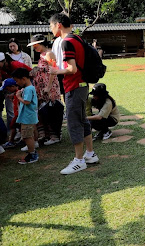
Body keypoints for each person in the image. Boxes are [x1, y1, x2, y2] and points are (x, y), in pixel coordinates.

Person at [49, 13, 99, 175]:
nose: (50, 29)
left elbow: (72, 69)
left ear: (58, 25)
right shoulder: (77, 38)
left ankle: (79, 160)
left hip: (74, 87)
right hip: (82, 86)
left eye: (51, 26)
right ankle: (90, 154)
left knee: (73, 123)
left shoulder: (66, 42)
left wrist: (56, 71)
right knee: (82, 120)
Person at [27, 34, 63, 146]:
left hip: (50, 87)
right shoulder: (42, 55)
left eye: (35, 45)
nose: (34, 47)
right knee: (44, 111)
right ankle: (47, 134)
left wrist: (48, 86)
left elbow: (53, 70)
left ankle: (55, 135)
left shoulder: (48, 54)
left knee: (52, 110)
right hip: (42, 88)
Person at [0, 52, 31, 128]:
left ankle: (11, 130)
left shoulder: (15, 65)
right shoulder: (0, 68)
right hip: (4, 86)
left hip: (14, 87)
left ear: (4, 61)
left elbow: (28, 75)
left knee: (10, 110)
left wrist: (19, 90)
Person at [12, 68, 39, 164]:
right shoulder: (29, 88)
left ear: (23, 79)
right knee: (28, 135)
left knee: (27, 136)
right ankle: (32, 152)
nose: (16, 83)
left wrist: (18, 97)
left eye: (17, 80)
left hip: (27, 117)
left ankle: (32, 154)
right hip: (28, 116)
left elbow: (27, 102)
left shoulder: (29, 89)